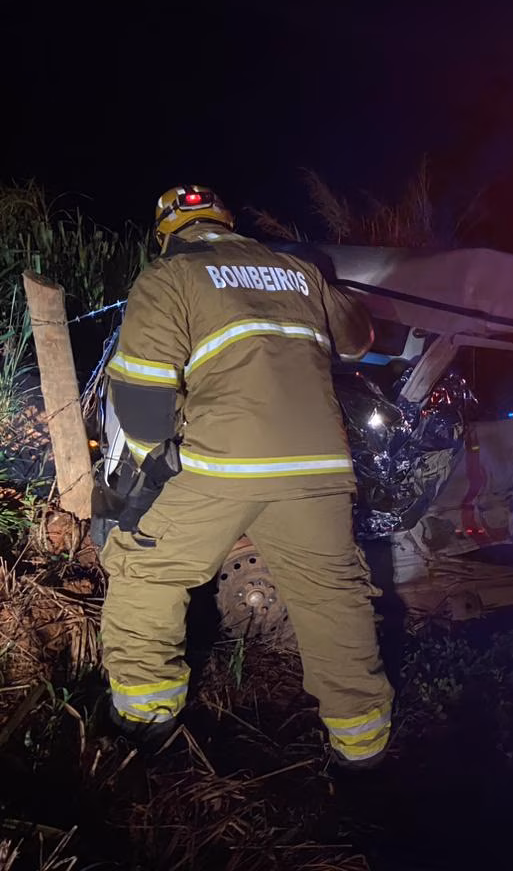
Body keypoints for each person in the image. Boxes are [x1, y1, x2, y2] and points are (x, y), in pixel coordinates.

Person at [99, 185, 394, 770]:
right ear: (227, 222)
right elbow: (359, 340)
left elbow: (141, 392)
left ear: (166, 232)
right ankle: (363, 745)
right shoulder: (296, 271)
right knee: (332, 595)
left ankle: (144, 717)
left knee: (146, 568)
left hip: (222, 463)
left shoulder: (171, 276)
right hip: (319, 468)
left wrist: (139, 478)